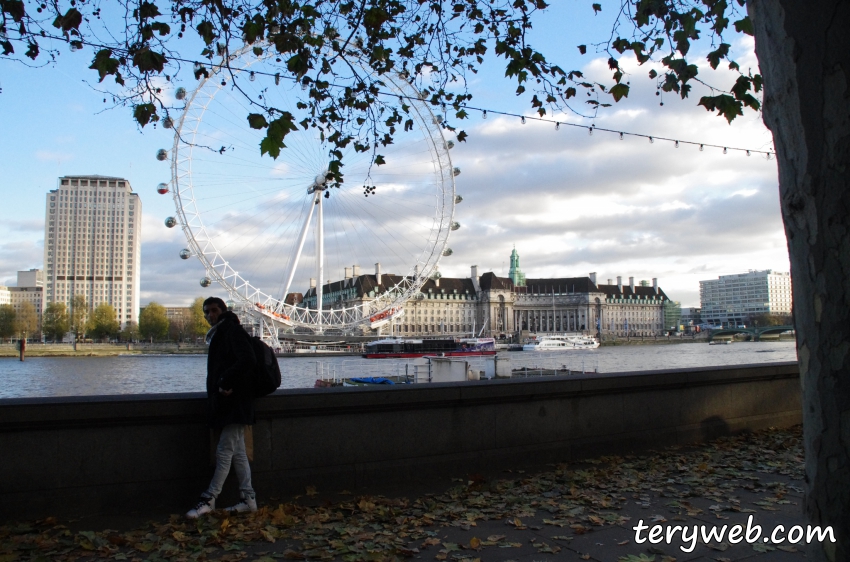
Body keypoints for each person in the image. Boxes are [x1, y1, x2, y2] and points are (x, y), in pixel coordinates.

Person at [186, 297, 258, 518]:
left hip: (235, 404)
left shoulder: (231, 331)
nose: (210, 315)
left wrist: (225, 381)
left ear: (223, 311)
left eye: (214, 310)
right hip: (231, 403)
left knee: (224, 451)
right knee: (238, 454)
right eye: (206, 312)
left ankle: (208, 499)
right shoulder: (222, 331)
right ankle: (248, 499)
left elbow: (248, 360)